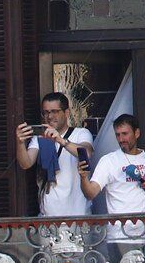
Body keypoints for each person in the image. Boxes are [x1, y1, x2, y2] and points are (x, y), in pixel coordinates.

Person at [82, 113, 145, 263]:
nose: (121, 139)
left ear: (137, 133)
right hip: (120, 235)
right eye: (118, 135)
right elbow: (91, 192)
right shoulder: (109, 161)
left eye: (125, 134)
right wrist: (83, 177)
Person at [17, 92, 95, 222]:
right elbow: (26, 163)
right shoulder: (40, 138)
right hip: (48, 217)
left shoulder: (81, 133)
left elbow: (86, 153)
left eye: (54, 111)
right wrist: (19, 142)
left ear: (66, 113)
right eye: (46, 112)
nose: (49, 116)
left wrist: (60, 140)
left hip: (79, 215)